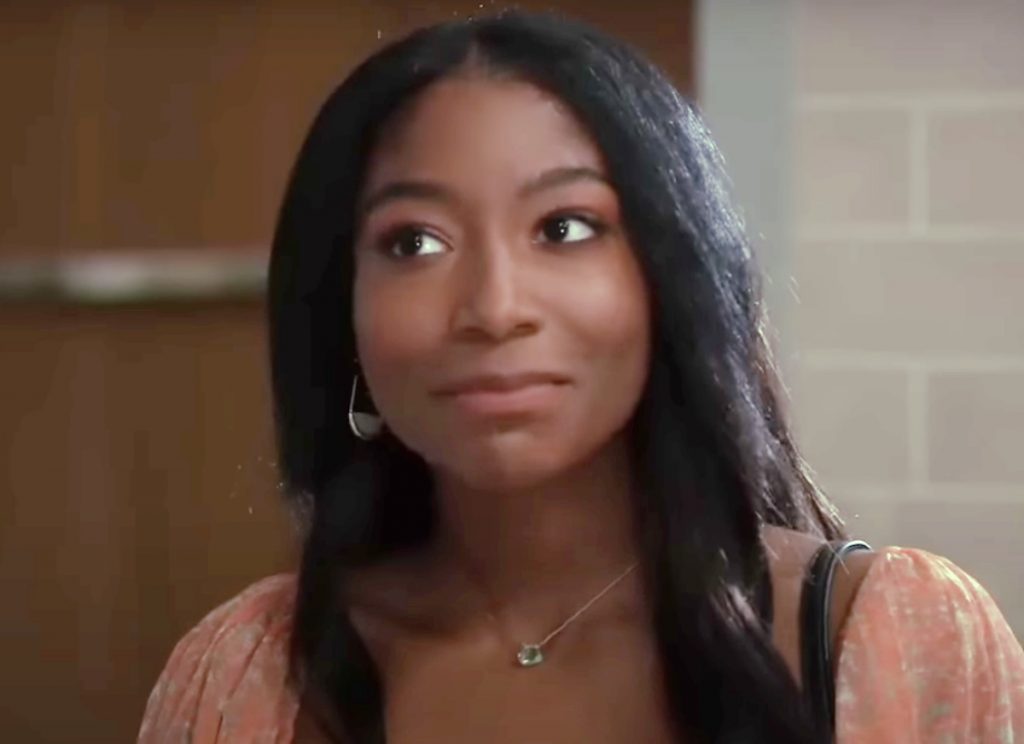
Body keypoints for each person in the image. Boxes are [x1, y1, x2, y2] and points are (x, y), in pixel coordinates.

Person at [138, 10, 1024, 744]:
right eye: (414, 242)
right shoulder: (243, 677)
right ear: (343, 308)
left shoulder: (897, 641)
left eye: (564, 228)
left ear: (673, 276)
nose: (494, 308)